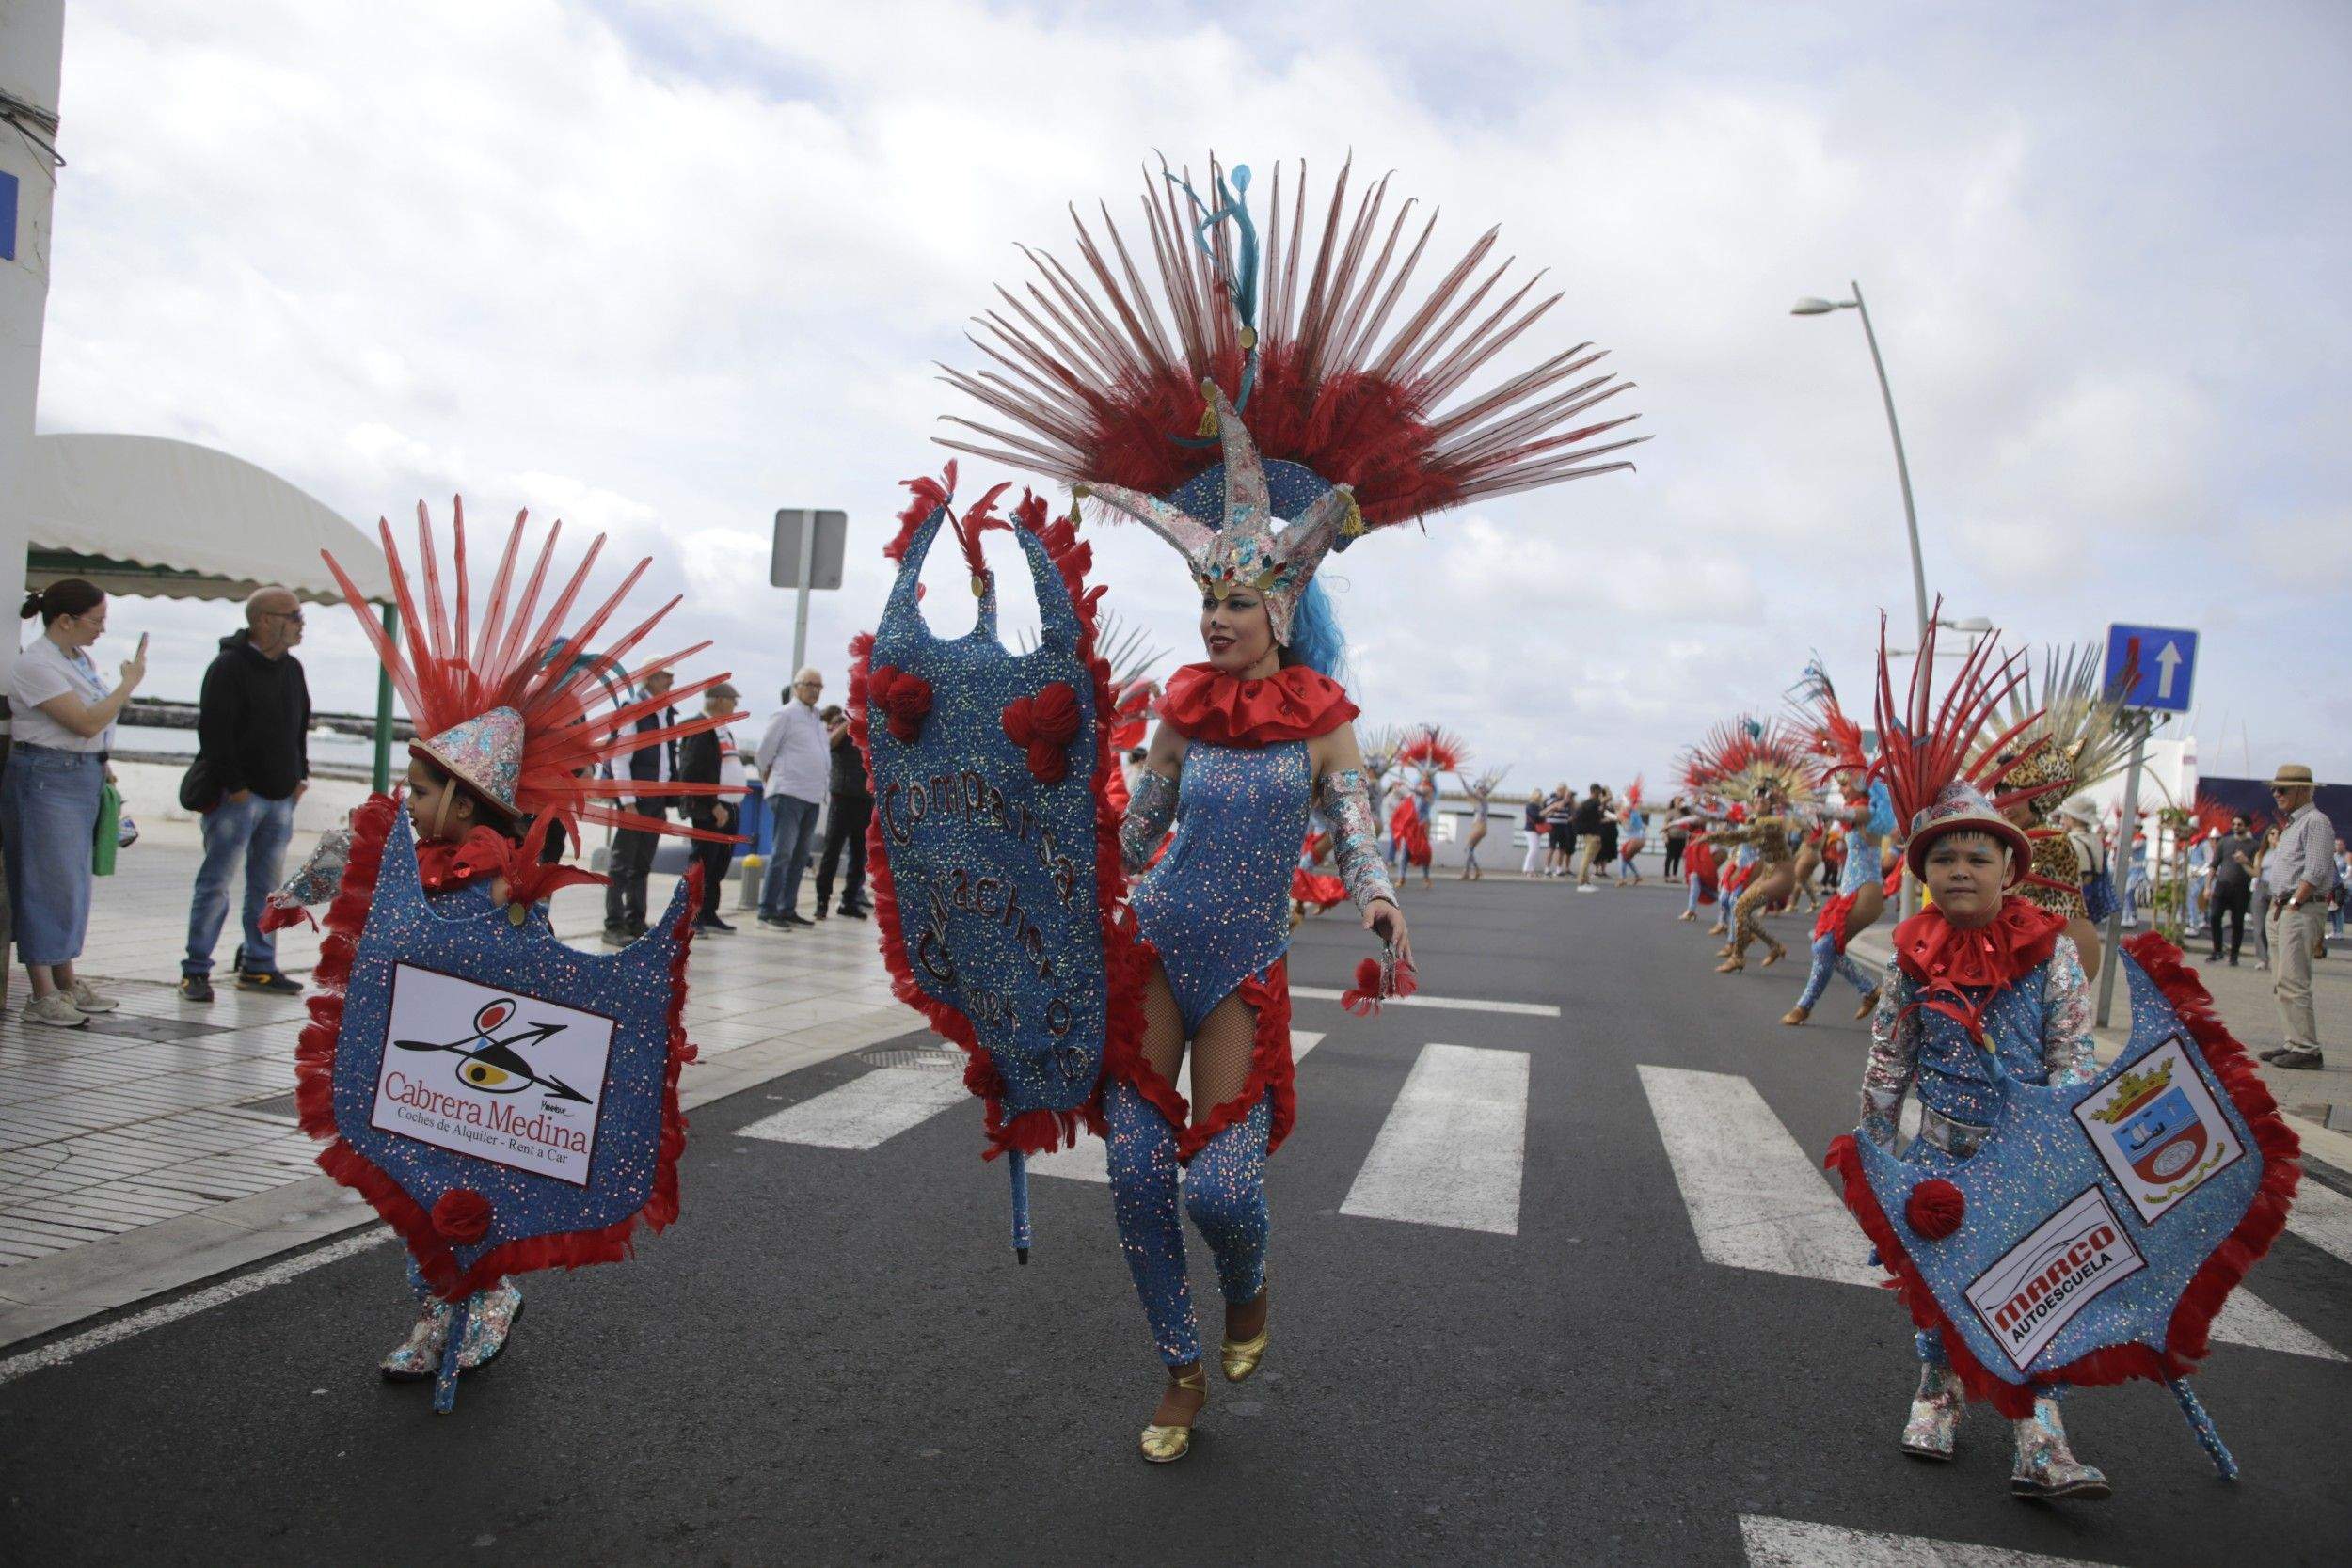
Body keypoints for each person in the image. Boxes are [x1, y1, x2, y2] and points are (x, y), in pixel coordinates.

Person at [941, 153, 1636, 1463]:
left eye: (1236, 602)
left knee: (1219, 1183)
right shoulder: (1180, 707)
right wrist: (1061, 844)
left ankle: (1249, 1281)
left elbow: (1357, 823)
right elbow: (1140, 838)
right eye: (1204, 600)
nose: (1214, 617)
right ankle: (1179, 1368)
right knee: (1138, 1175)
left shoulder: (1320, 717)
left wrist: (1376, 889)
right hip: (1155, 941)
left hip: (1244, 966)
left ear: (1280, 607)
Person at [261, 502, 737, 1393]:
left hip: (482, 1067)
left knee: (476, 1179)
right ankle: (440, 1300)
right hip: (403, 1047)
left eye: (421, 786)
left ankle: (483, 1297)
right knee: (413, 1184)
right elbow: (344, 852)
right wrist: (292, 901)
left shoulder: (512, 874)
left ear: (468, 802)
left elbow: (536, 984)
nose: (405, 798)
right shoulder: (394, 836)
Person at [1848, 781, 2109, 1500]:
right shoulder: (1909, 954)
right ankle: (1937, 1394)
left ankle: (2040, 1431)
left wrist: (2064, 1153)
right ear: (1923, 873)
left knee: (2036, 1292)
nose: (1961, 869)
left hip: (2029, 1157)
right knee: (1941, 1289)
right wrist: (1875, 1155)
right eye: (1944, 858)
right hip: (1940, 1156)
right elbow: (1888, 1058)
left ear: (2010, 869)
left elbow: (2074, 1057)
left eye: (1978, 856)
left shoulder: (2050, 952)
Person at [5, 581, 144, 1028]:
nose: (102, 630)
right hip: (46, 776)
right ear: (65, 620)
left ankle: (65, 980)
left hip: (82, 774)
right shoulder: (35, 665)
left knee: (72, 883)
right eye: (96, 620)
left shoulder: (78, 660)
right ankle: (42, 993)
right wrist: (128, 685)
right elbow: (84, 722)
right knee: (46, 881)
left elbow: (93, 726)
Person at [181, 587, 311, 1002]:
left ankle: (258, 964)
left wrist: (299, 778)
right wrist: (235, 787)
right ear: (264, 620)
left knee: (269, 889)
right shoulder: (228, 667)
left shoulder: (292, 669)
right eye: (292, 616)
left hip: (279, 797)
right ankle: (196, 969)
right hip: (238, 799)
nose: (299, 624)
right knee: (216, 883)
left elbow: (299, 727)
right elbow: (214, 732)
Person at [1782, 769, 1895, 1026]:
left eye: (1845, 785)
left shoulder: (1867, 813)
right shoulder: (1853, 815)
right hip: (1847, 892)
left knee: (1824, 947)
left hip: (1865, 891)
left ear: (1859, 785)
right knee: (1823, 946)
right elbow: (1825, 817)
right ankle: (1869, 990)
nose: (1843, 790)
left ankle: (1804, 1006)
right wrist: (1791, 805)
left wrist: (1802, 803)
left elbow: (1838, 812)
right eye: (1840, 786)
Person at [2260, 764, 2337, 1069]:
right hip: (2284, 908)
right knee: (2282, 981)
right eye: (2275, 789)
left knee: (2293, 980)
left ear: (2303, 790)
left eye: (2284, 789)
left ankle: (2307, 1049)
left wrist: (2294, 901)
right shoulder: (2294, 823)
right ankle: (2294, 1041)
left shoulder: (2316, 822)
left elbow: (2316, 869)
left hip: (2299, 909)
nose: (2277, 794)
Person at [600, 667, 675, 945]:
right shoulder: (635, 708)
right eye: (666, 676)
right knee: (622, 864)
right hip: (636, 800)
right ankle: (614, 923)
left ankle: (635, 921)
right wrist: (628, 801)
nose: (671, 681)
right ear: (651, 678)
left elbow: (666, 758)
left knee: (642, 863)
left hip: (655, 800)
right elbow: (620, 758)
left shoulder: (663, 711)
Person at [755, 668, 834, 927]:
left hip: (812, 795)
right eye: (810, 684)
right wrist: (770, 776)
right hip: (789, 791)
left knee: (801, 856)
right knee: (783, 853)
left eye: (819, 686)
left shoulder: (817, 720)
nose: (815, 690)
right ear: (797, 686)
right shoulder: (786, 715)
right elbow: (764, 751)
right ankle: (768, 909)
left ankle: (787, 907)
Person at [676, 681, 744, 932]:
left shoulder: (723, 729)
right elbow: (692, 769)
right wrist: (713, 804)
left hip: (730, 805)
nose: (735, 705)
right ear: (717, 699)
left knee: (719, 863)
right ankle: (690, 916)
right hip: (711, 808)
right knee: (702, 861)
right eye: (732, 699)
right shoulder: (699, 726)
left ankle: (709, 912)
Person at [813, 701, 873, 919]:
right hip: (842, 797)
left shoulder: (873, 729)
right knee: (832, 852)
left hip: (865, 799)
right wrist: (850, 721)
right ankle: (822, 901)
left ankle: (850, 900)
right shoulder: (842, 724)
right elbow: (829, 744)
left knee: (859, 855)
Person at [2206, 811, 2258, 966]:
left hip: (2241, 887)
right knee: (2214, 916)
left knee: (2237, 922)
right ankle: (2217, 950)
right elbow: (2214, 865)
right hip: (2222, 885)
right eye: (2234, 824)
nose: (2236, 827)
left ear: (2247, 826)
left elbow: (2257, 869)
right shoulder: (2224, 842)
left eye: (2240, 824)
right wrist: (2207, 886)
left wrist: (2246, 861)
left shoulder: (2255, 845)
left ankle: (2234, 955)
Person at [1573, 784, 1608, 890]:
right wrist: (1606, 791)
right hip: (1592, 835)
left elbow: (1600, 815)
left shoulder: (1589, 804)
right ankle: (1581, 882)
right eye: (1599, 791)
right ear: (1595, 791)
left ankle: (1586, 881)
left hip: (1592, 834)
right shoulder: (1592, 802)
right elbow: (1608, 797)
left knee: (1588, 859)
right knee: (1587, 859)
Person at [1544, 784, 1576, 877]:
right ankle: (1547, 869)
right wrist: (1565, 799)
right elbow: (1559, 807)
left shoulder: (1568, 801)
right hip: (1554, 826)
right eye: (1563, 791)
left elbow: (1574, 811)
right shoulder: (1551, 799)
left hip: (1564, 826)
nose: (1565, 793)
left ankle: (1558, 869)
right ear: (1559, 791)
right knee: (1552, 848)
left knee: (1562, 849)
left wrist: (1571, 800)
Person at [1662, 799, 1689, 880]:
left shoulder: (1685, 812)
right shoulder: (1670, 812)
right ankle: (1666, 875)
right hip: (1671, 837)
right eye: (1677, 801)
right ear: (1674, 802)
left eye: (1680, 801)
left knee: (1678, 857)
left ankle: (1674, 875)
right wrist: (1665, 836)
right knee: (1669, 856)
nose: (1679, 803)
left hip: (1682, 838)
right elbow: (1665, 824)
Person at [1519, 793, 1545, 876]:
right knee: (1533, 850)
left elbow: (1541, 818)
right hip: (1530, 830)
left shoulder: (1538, 806)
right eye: (1538, 796)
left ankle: (1531, 869)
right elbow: (1536, 817)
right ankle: (1526, 869)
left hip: (1536, 830)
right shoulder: (1530, 806)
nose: (1539, 798)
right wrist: (1543, 814)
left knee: (1535, 850)